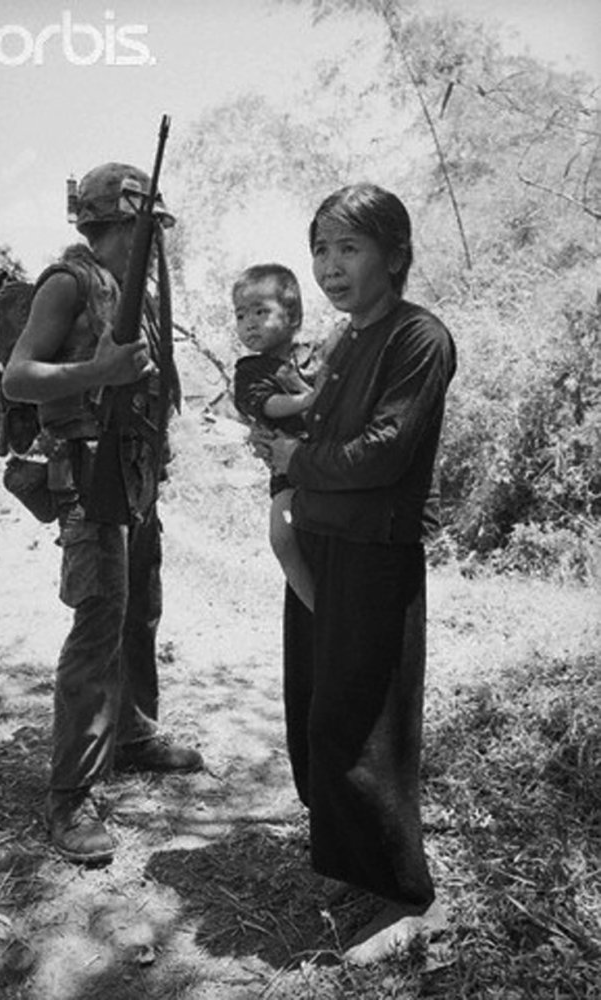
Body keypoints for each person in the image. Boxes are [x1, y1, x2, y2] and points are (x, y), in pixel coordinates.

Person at [264, 183, 457, 964]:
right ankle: (354, 866)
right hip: (321, 544)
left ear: (395, 255)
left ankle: (408, 899)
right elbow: (317, 430)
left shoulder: (419, 337)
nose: (329, 266)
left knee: (366, 724)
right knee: (317, 709)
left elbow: (384, 452)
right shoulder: (344, 340)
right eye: (320, 249)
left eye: (348, 248)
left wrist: (296, 459)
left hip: (376, 552)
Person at [2, 162, 204, 866]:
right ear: (121, 223)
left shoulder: (133, 294)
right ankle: (69, 796)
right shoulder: (68, 283)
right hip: (87, 477)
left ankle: (129, 733)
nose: (156, 237)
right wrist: (99, 373)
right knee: (98, 622)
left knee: (139, 609)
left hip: (134, 474)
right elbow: (19, 376)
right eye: (146, 225)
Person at [233, 263, 321, 612]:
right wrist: (309, 400)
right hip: (289, 475)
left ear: (293, 316)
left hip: (328, 467)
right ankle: (317, 607)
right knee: (282, 535)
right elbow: (267, 405)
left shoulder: (317, 356)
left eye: (260, 312)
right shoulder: (249, 371)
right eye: (241, 315)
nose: (249, 323)